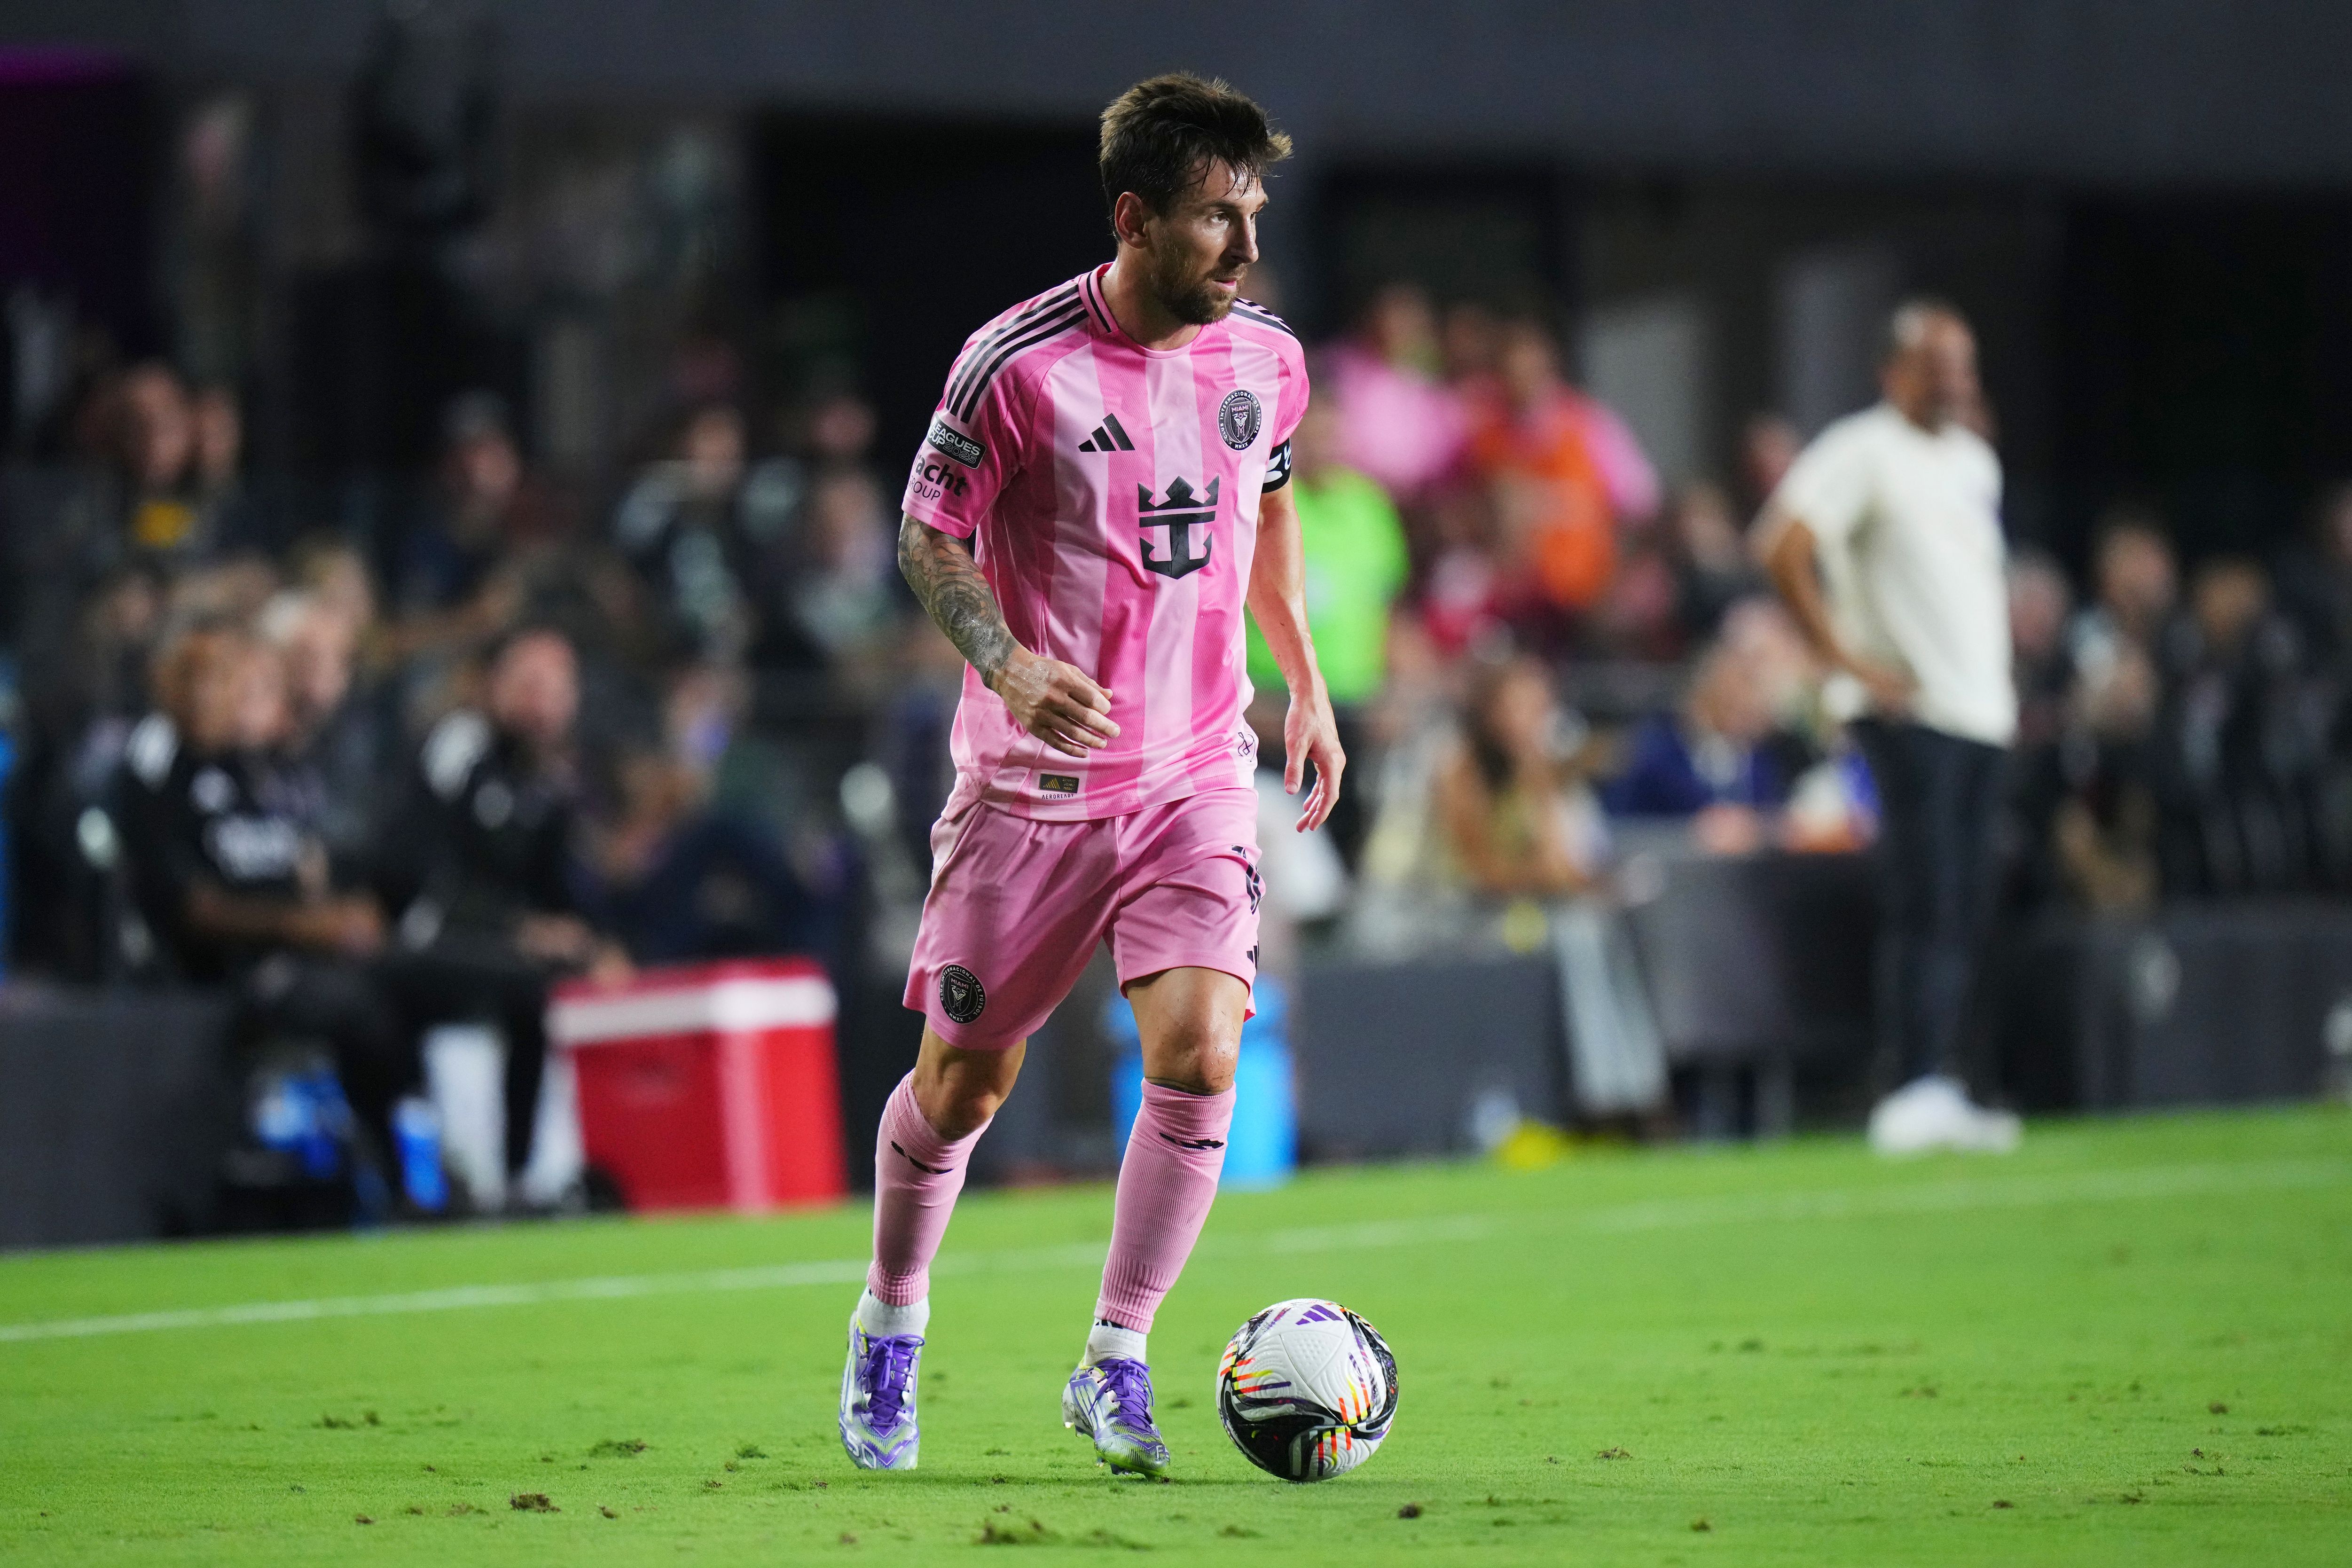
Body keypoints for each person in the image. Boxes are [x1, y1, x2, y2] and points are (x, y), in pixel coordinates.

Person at [838, 74, 1339, 1479]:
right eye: (1213, 219)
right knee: (963, 1084)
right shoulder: (1017, 365)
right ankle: (891, 1315)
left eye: (1252, 214)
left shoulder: (1269, 361)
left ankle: (1117, 1355)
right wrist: (1003, 660)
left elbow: (1271, 509)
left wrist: (1300, 678)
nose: (1244, 248)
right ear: (1133, 219)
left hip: (1195, 771)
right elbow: (927, 538)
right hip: (1034, 790)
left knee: (1202, 1051)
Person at [1757, 298, 2022, 1156]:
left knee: (1967, 905)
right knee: (1927, 902)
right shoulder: (1861, 449)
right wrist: (1842, 659)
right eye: (1935, 365)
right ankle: (1909, 1082)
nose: (1952, 381)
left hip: (1979, 712)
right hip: (1909, 713)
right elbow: (1782, 546)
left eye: (1962, 365)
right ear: (1892, 372)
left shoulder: (1973, 460)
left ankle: (1944, 1077)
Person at [381, 627, 630, 1180]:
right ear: (493, 687)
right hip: (424, 935)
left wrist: (599, 943)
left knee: (567, 979)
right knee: (528, 990)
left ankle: (568, 1163)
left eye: (555, 689)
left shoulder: (549, 776)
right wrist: (516, 928)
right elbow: (420, 871)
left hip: (497, 946)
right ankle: (512, 1169)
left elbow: (564, 883)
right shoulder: (459, 747)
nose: (541, 704)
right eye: (528, 685)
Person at [1242, 395, 1409, 866]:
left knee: (1351, 844)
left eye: (1330, 434)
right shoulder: (1255, 499)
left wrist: (1394, 692)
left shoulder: (1370, 506)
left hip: (1352, 709)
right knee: (1281, 858)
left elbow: (1389, 604)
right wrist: (1245, 702)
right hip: (1274, 710)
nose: (1321, 446)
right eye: (1308, 435)